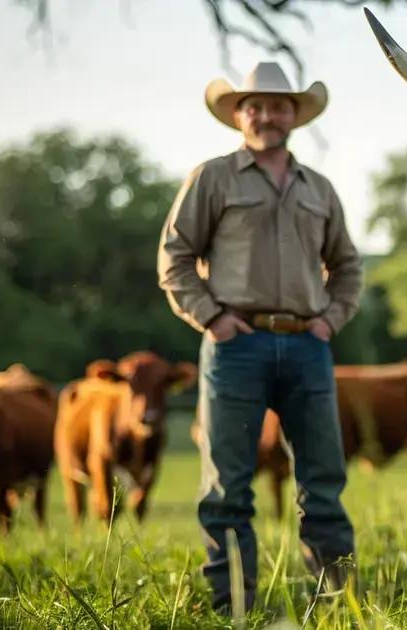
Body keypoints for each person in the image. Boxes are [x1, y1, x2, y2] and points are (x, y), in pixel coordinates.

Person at [157, 61, 362, 613]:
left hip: (307, 346)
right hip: (234, 346)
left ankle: (337, 608)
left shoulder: (319, 188)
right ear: (238, 114)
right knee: (228, 490)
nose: (267, 115)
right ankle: (235, 610)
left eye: (278, 106)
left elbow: (347, 267)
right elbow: (174, 259)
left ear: (294, 114)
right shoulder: (212, 177)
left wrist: (329, 322)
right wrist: (213, 319)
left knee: (323, 484)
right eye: (256, 106)